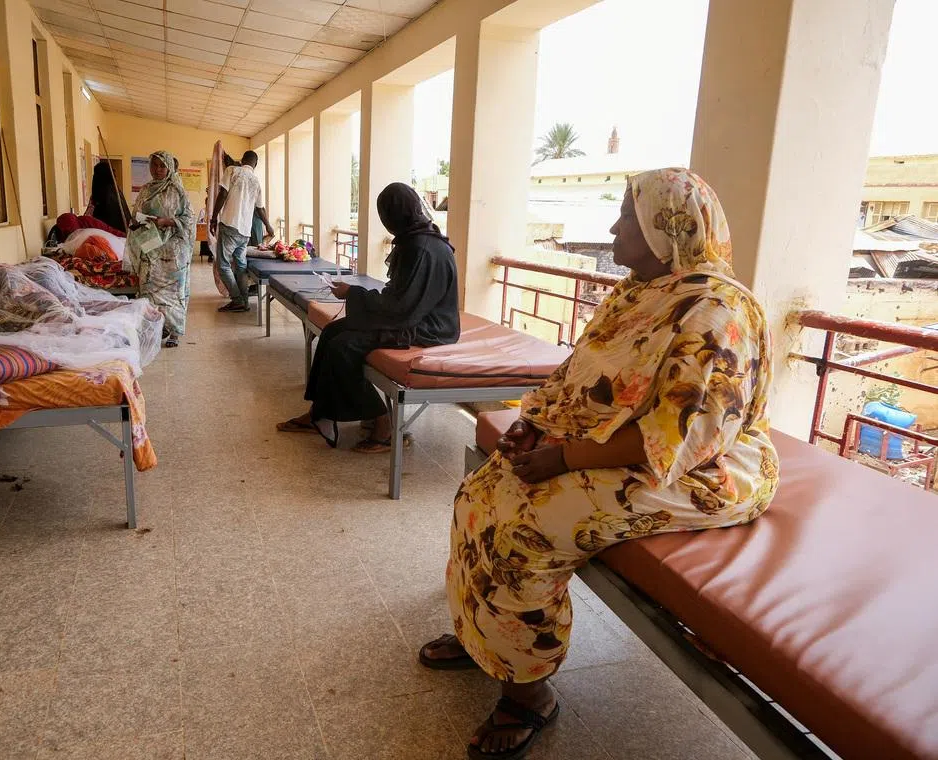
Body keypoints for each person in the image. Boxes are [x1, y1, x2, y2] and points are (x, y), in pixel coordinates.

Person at [418, 168, 779, 759]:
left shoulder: (717, 312)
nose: (613, 227)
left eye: (626, 218)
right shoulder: (639, 291)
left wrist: (564, 458)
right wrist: (535, 424)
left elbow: (686, 435)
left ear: (668, 230)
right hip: (619, 443)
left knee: (525, 529)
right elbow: (578, 374)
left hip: (704, 470)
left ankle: (528, 693)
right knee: (480, 493)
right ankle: (487, 633)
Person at [276, 182, 460, 451]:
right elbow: (400, 300)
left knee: (344, 346)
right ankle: (320, 414)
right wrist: (355, 295)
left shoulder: (422, 248)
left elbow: (402, 309)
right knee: (331, 332)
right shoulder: (415, 238)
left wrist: (353, 293)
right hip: (409, 316)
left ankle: (383, 423)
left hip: (428, 327)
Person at [128, 151, 195, 347]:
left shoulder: (177, 190)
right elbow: (137, 213)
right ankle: (158, 326)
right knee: (149, 292)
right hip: (151, 249)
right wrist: (136, 222)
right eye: (154, 165)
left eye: (161, 166)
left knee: (174, 294)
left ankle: (174, 332)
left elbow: (188, 219)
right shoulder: (146, 190)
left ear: (169, 168)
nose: (157, 170)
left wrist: (166, 221)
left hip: (173, 253)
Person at [210, 150, 274, 312]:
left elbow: (223, 193)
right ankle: (244, 301)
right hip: (245, 231)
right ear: (256, 164)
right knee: (240, 265)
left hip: (230, 224)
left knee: (223, 265)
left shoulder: (232, 170)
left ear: (242, 159)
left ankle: (237, 299)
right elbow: (260, 208)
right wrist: (268, 225)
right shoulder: (255, 181)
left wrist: (213, 217)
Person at [55, 162, 131, 239]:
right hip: (123, 236)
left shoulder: (101, 193)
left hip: (107, 236)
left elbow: (93, 219)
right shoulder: (116, 192)